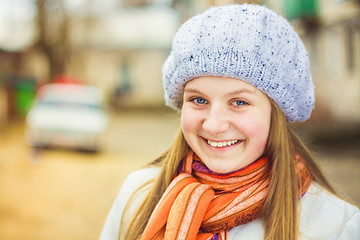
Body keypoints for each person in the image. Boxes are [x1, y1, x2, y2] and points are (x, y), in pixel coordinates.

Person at [100, 4, 360, 240]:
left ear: (275, 113)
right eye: (198, 100)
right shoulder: (137, 196)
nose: (214, 125)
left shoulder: (335, 226)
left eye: (239, 102)